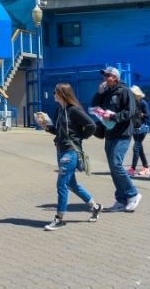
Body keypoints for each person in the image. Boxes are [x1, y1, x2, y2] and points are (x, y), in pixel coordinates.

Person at [41, 82, 102, 230]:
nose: (53, 94)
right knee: (71, 184)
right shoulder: (59, 110)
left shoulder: (74, 110)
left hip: (70, 152)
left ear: (62, 94)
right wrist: (46, 127)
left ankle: (59, 218)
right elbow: (59, 130)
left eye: (55, 92)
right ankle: (95, 206)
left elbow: (91, 126)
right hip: (60, 150)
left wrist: (78, 138)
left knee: (61, 184)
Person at [91, 66, 141, 213]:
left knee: (116, 164)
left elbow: (130, 112)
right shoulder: (107, 93)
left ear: (116, 78)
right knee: (113, 168)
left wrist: (112, 116)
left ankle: (133, 194)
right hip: (110, 133)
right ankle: (121, 199)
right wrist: (99, 93)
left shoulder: (125, 91)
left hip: (123, 133)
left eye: (108, 76)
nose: (105, 78)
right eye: (104, 76)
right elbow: (95, 106)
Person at [127, 85, 150, 178]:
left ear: (137, 94)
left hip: (142, 128)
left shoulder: (143, 103)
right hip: (135, 127)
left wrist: (142, 114)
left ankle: (132, 169)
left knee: (136, 148)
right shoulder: (132, 103)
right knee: (139, 149)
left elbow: (148, 115)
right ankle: (146, 168)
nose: (131, 95)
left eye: (132, 94)